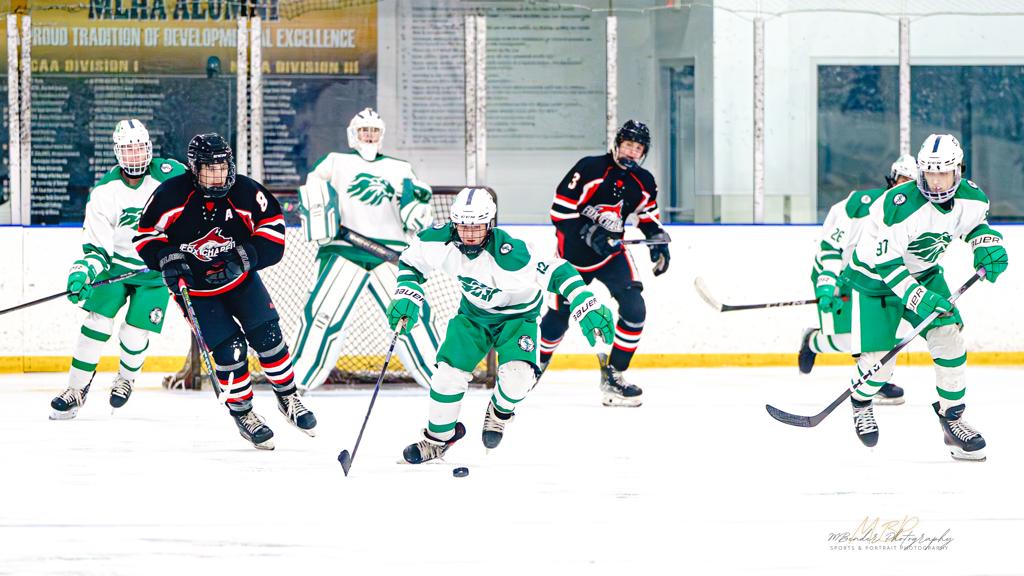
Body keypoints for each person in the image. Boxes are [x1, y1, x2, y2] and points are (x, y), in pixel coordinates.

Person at [389, 187, 615, 463]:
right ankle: (437, 440)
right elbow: (411, 262)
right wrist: (407, 292)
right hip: (473, 316)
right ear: (453, 222)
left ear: (490, 224)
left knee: (519, 378)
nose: (469, 234)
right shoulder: (439, 240)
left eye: (477, 227)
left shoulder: (511, 254)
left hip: (517, 319)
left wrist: (585, 302)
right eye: (463, 226)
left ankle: (499, 413)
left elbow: (558, 270)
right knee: (446, 376)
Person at [133, 133, 316, 450]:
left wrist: (245, 257)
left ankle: (288, 397)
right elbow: (145, 236)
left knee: (269, 337)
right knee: (230, 350)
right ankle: (244, 413)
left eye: (222, 167)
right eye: (210, 169)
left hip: (241, 281)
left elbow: (274, 233)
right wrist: (166, 257)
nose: (218, 175)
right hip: (196, 291)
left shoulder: (246, 192)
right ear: (194, 169)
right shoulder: (171, 195)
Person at [843, 134, 1007, 460]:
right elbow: (887, 264)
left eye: (943, 173)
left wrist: (987, 244)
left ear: (957, 170)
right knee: (879, 365)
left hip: (925, 273)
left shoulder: (972, 197)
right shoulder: (898, 205)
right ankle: (861, 402)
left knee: (949, 340)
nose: (936, 181)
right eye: (930, 173)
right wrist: (919, 298)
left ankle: (952, 421)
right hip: (875, 279)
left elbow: (975, 225)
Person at [292, 107, 438, 391]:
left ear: (381, 135)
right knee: (322, 317)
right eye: (363, 130)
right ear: (353, 134)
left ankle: (440, 380)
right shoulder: (335, 162)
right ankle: (297, 381)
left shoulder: (400, 168)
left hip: (391, 256)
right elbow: (313, 193)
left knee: (414, 318)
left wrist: (420, 207)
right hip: (344, 250)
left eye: (374, 131)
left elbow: (414, 218)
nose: (369, 135)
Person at [50, 119, 186, 419]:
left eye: (139, 149)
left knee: (134, 334)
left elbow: (197, 200)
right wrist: (82, 274)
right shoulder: (104, 192)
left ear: (149, 148)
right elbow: (97, 248)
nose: (135, 156)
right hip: (115, 269)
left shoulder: (170, 176)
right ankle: (75, 388)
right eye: (128, 150)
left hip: (154, 271)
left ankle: (126, 378)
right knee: (96, 324)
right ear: (117, 153)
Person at [538, 119, 670, 407]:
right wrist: (588, 233)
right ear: (617, 144)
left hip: (611, 254)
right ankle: (533, 365)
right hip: (573, 256)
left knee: (635, 309)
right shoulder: (590, 168)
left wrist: (657, 240)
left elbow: (647, 216)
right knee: (558, 315)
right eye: (628, 145)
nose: (632, 152)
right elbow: (559, 212)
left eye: (638, 148)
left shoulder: (644, 182)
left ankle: (614, 375)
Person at [797, 154, 919, 405]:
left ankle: (877, 381)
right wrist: (827, 284)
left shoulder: (916, 215)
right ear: (892, 179)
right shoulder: (860, 205)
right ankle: (812, 341)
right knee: (848, 339)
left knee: (890, 332)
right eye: (903, 180)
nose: (905, 188)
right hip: (840, 276)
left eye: (912, 183)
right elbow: (831, 248)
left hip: (876, 281)